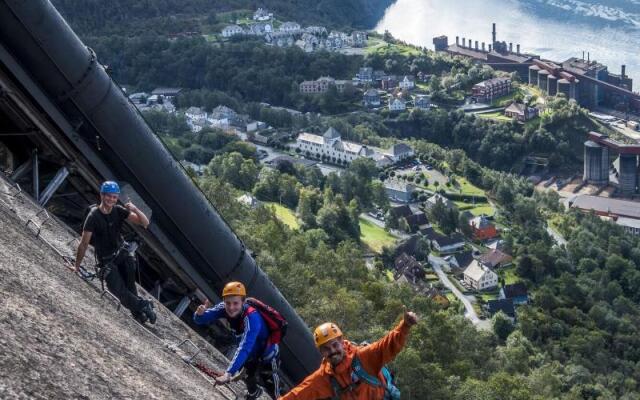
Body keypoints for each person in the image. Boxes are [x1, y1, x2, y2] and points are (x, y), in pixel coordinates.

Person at [278, 308, 419, 400]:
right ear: (321, 352)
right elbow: (299, 393)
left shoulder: (363, 357)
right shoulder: (325, 377)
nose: (332, 351)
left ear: (341, 341)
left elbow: (388, 345)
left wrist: (405, 325)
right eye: (326, 349)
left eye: (334, 345)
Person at [74, 181, 156, 324]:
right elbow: (83, 244)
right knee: (118, 290)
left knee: (129, 288)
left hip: (123, 255)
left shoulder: (118, 210)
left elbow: (145, 223)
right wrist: (76, 266)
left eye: (114, 197)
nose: (111, 200)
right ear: (101, 195)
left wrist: (135, 209)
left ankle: (139, 314)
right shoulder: (93, 216)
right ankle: (143, 306)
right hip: (106, 260)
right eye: (108, 196)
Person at [194, 282, 282, 400]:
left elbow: (245, 346)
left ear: (243, 301)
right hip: (252, 354)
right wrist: (199, 314)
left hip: (268, 354)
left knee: (272, 387)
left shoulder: (252, 318)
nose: (231, 307)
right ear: (224, 301)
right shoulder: (223, 308)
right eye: (228, 303)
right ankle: (253, 393)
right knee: (247, 377)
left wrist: (228, 374)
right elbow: (201, 320)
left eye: (235, 303)